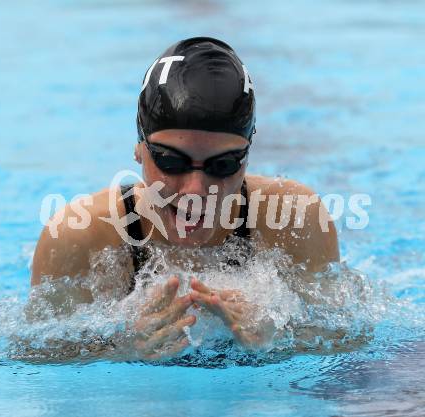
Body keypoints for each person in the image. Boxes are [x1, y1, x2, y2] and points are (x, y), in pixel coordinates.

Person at [31, 37, 339, 360]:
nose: (195, 190)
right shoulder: (78, 238)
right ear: (139, 146)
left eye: (222, 165)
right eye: (171, 161)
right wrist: (118, 350)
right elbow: (37, 361)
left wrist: (281, 337)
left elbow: (349, 344)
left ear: (247, 155)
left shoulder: (296, 221)